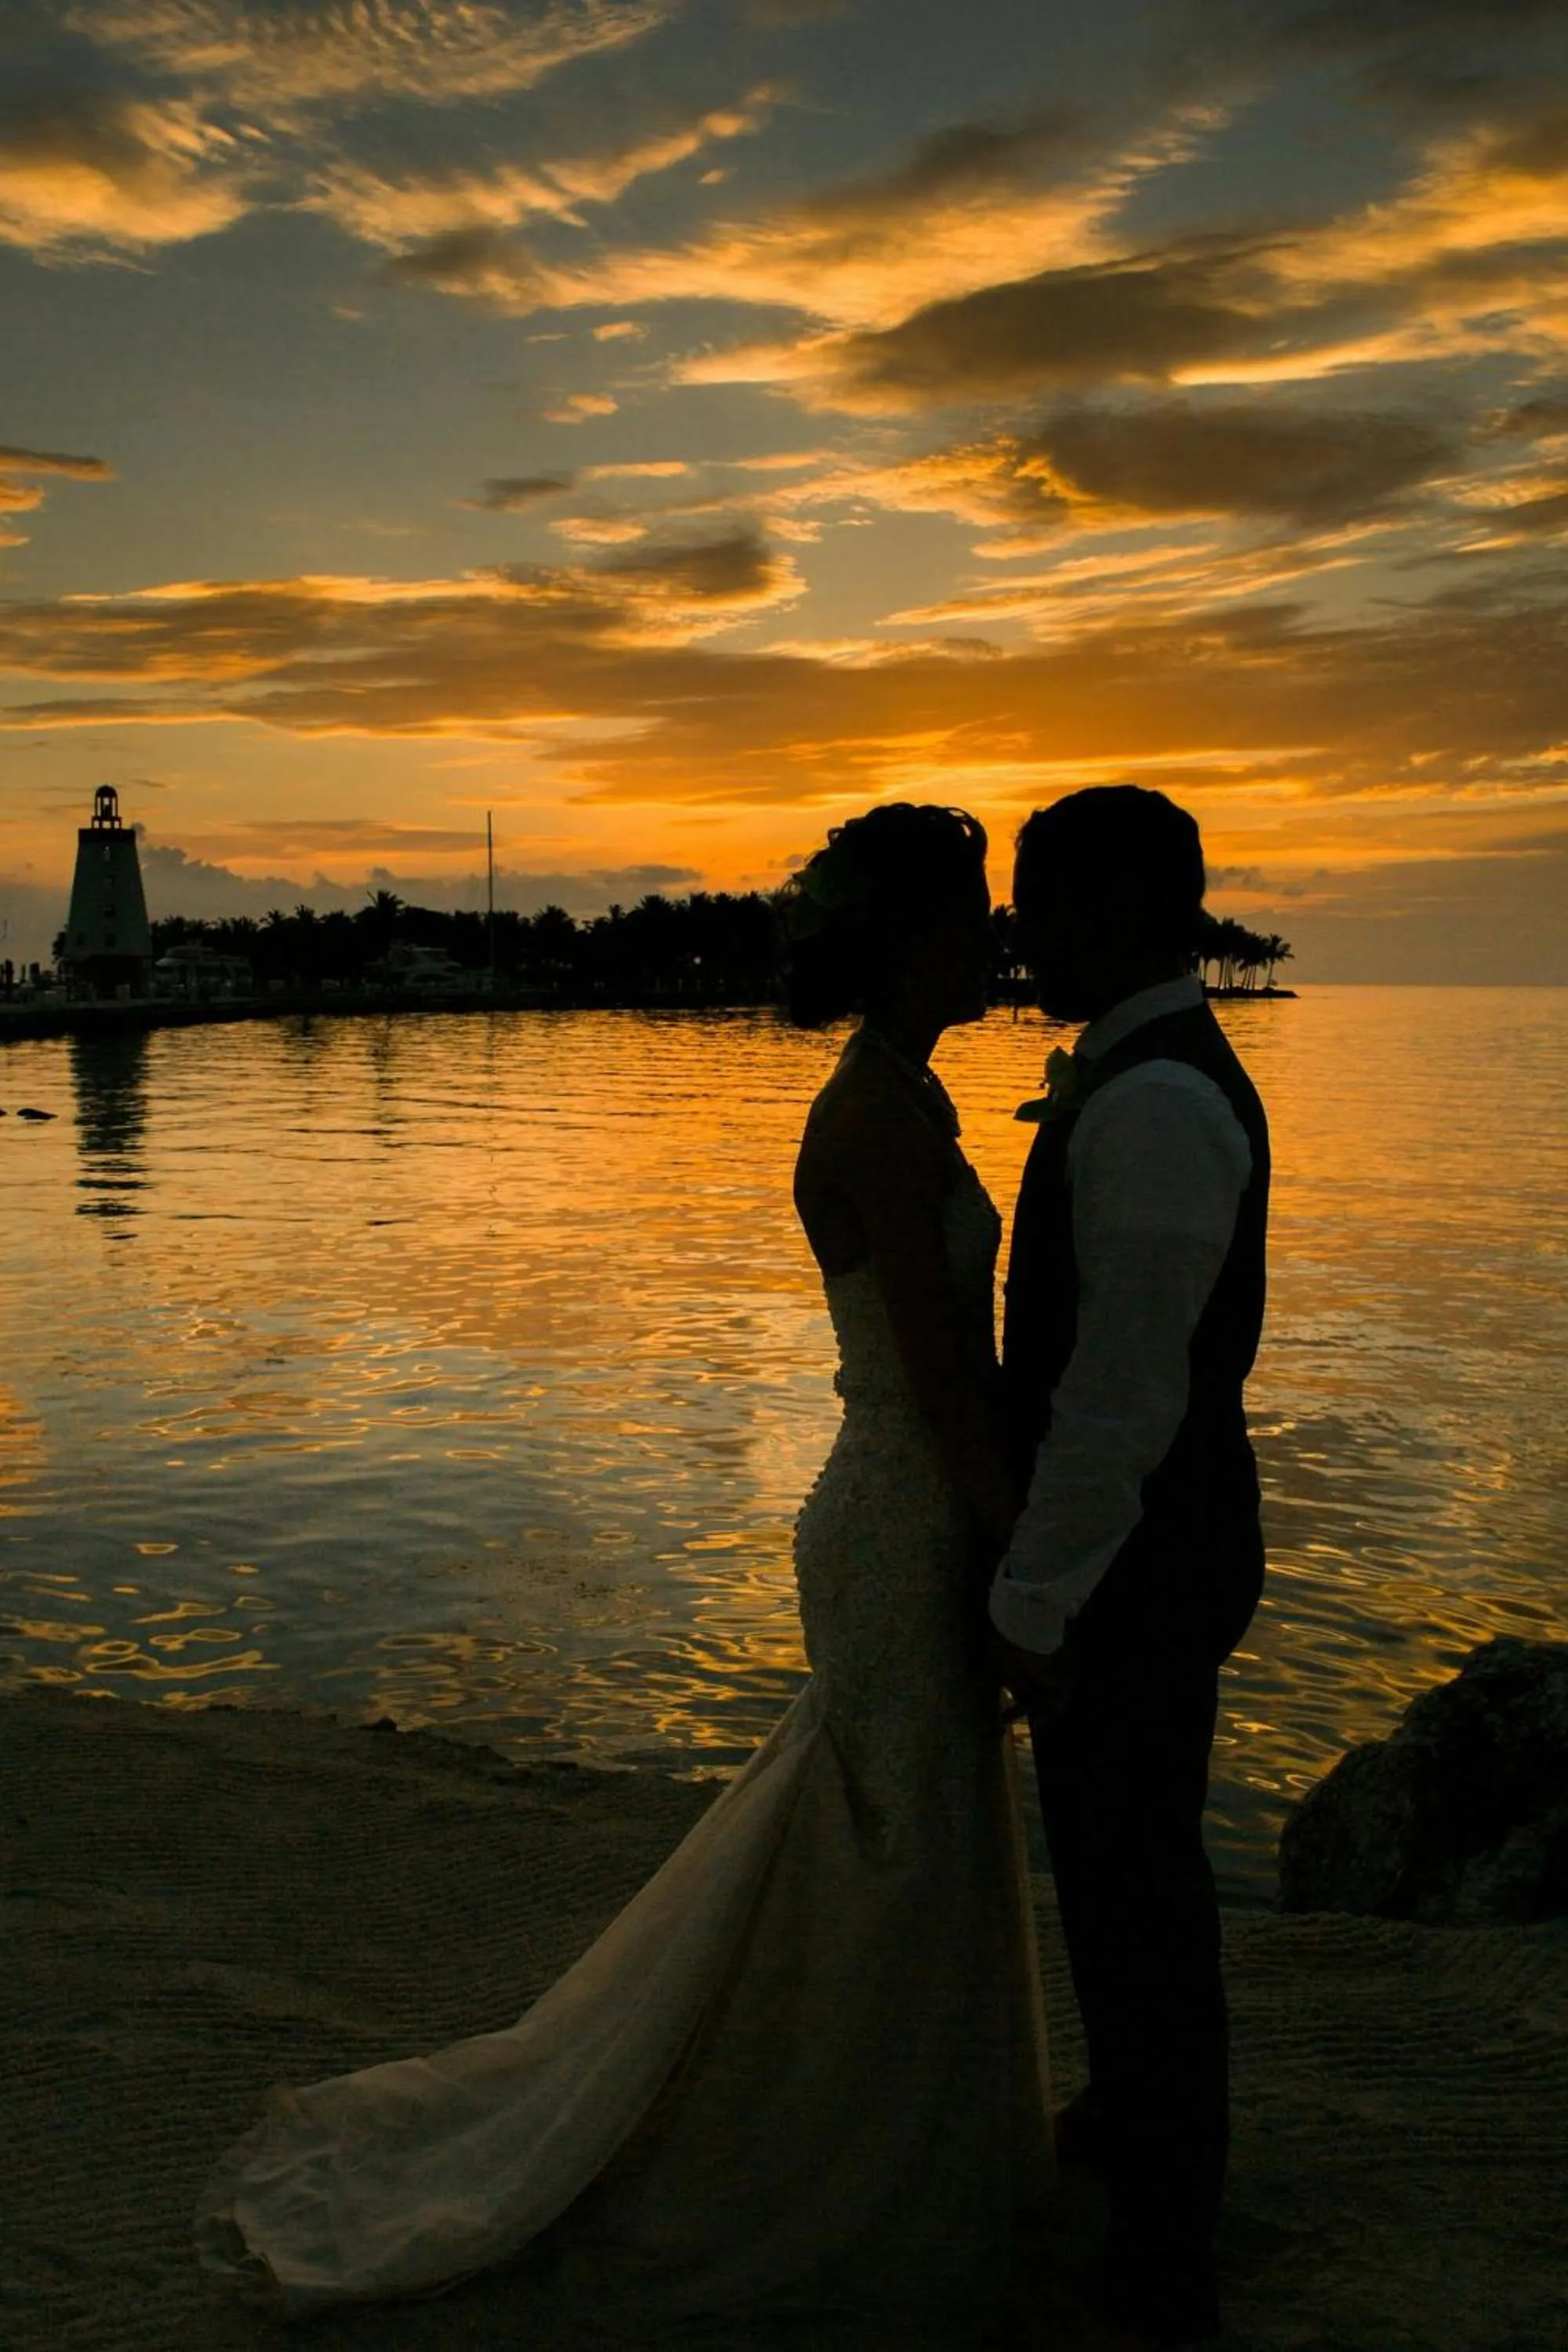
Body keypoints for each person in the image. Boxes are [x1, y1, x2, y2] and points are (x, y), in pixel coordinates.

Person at [193, 800, 1053, 2329]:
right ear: (911, 936)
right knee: (896, 1844)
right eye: (970, 909)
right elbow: (940, 1384)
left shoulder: (910, 1098)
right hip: (897, 1520)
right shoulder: (863, 1113)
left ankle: (893, 2155)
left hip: (907, 1509)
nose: (991, 935)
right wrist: (1023, 1575)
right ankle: (820, 2172)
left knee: (892, 1846)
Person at [990, 786, 1271, 2348]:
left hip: (1142, 1562)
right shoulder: (1137, 1076)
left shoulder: (1156, 1101)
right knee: (1114, 1869)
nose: (1021, 931)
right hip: (1154, 1549)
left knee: (1139, 1888)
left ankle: (1167, 2247)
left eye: (1043, 901)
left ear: (1131, 906)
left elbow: (1125, 1390)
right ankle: (1129, 2119)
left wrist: (1037, 1595)